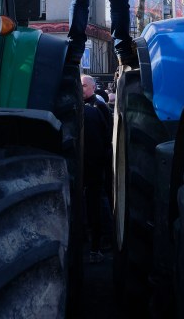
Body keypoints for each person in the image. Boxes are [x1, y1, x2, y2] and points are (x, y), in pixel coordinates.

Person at [82, 74, 111, 263]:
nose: (81, 89)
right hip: (85, 164)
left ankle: (100, 244)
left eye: (84, 86)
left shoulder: (99, 108)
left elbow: (107, 135)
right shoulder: (77, 108)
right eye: (79, 86)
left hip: (96, 165)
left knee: (98, 203)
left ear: (93, 87)